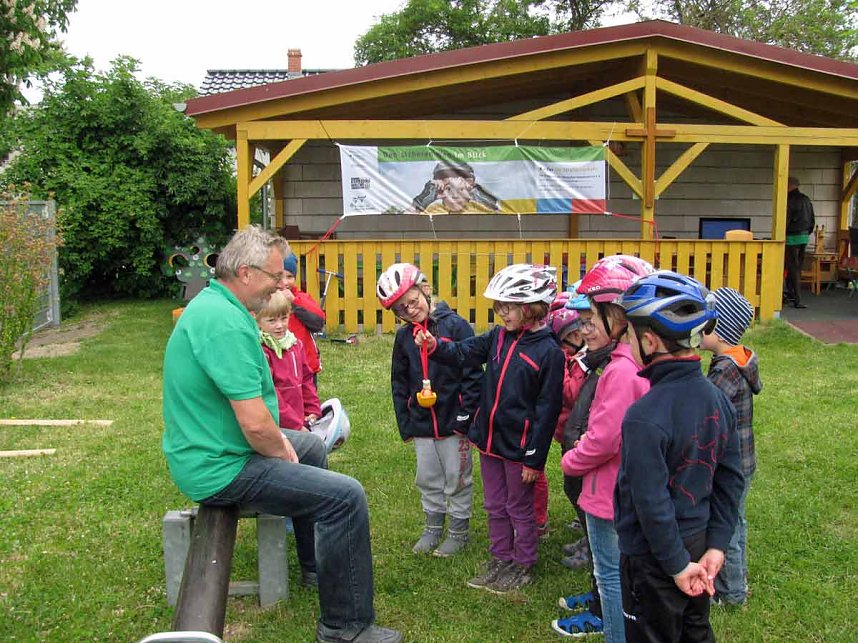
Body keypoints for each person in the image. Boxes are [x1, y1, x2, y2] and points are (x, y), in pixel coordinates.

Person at [162, 225, 401, 643]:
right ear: (247, 273)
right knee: (345, 497)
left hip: (221, 450)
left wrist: (289, 444)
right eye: (276, 277)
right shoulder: (224, 323)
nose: (283, 287)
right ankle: (345, 627)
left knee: (309, 445)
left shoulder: (221, 307)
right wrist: (281, 452)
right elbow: (255, 425)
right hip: (221, 467)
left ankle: (315, 565)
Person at [416, 264, 565, 593]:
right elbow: (465, 352)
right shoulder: (498, 336)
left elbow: (548, 409)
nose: (500, 314)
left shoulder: (550, 352)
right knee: (495, 505)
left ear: (531, 307)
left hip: (519, 447)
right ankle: (500, 556)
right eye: (498, 307)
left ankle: (522, 562)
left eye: (507, 307)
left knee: (519, 507)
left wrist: (534, 459)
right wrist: (435, 347)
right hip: (489, 442)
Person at [615, 270, 744, 643]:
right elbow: (730, 478)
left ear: (650, 340)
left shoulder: (644, 415)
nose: (626, 342)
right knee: (696, 632)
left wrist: (674, 566)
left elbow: (650, 503)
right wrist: (717, 544)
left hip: (655, 558)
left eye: (628, 335)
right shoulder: (717, 398)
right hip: (699, 543)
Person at [552, 255, 653, 642]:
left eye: (592, 317)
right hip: (620, 491)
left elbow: (606, 439)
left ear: (619, 316)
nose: (584, 327)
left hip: (607, 495)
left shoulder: (620, 370)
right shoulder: (631, 361)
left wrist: (572, 459)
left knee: (610, 576)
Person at [376, 262, 482, 557]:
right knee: (427, 477)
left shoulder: (456, 326)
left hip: (453, 420)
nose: (410, 310)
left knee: (457, 476)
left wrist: (467, 415)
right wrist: (405, 422)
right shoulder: (403, 337)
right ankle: (433, 527)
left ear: (425, 290)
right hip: (422, 422)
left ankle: (459, 531)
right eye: (400, 309)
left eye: (412, 301)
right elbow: (398, 380)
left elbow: (473, 373)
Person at [701, 287, 762, 606]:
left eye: (705, 321)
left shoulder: (725, 371)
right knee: (734, 520)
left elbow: (706, 412)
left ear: (718, 329)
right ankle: (732, 586)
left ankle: (733, 592)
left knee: (729, 525)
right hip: (742, 463)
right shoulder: (736, 360)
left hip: (731, 466)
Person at [257, 289, 322, 432]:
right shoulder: (262, 351)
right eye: (272, 320)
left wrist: (312, 409)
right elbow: (271, 394)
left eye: (284, 318)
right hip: (276, 424)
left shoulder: (295, 345)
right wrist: (295, 426)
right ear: (258, 321)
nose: (279, 325)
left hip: (299, 419)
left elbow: (306, 379)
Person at [282, 251, 326, 380]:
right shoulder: (266, 300)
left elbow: (318, 322)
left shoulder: (302, 298)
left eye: (289, 277)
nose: (285, 282)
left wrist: (294, 303)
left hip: (306, 366)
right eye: (280, 276)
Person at [411, 160, 501, 214]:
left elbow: (505, 215)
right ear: (438, 190)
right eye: (448, 189)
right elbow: (405, 219)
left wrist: (481, 196)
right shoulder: (433, 210)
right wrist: (422, 200)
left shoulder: (479, 209)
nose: (454, 196)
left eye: (460, 189)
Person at [784, 176, 815, 309]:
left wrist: (782, 233)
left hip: (792, 238)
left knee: (792, 268)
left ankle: (797, 299)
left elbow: (786, 220)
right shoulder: (806, 199)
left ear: (789, 186)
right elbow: (812, 219)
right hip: (804, 236)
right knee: (798, 268)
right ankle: (792, 295)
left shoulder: (790, 200)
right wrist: (807, 232)